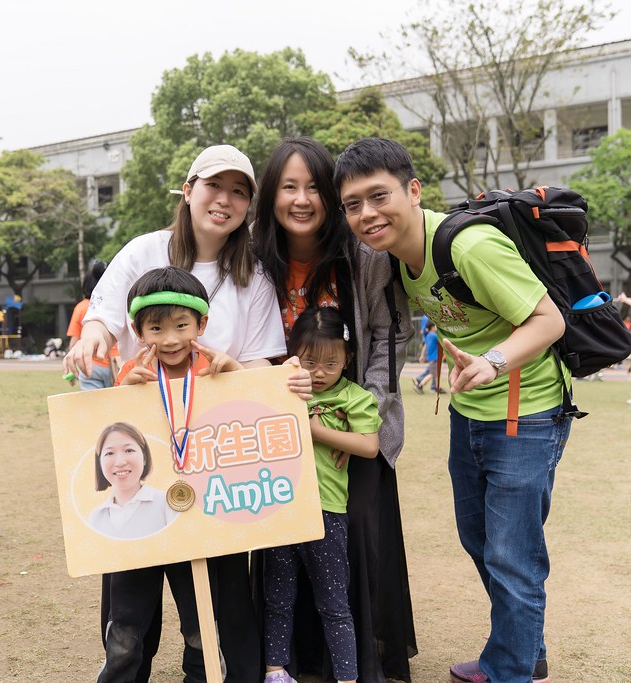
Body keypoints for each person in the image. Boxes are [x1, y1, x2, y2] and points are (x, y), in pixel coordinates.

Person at [335, 138, 570, 683]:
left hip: (525, 411)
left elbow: (549, 320)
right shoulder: (396, 258)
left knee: (513, 553)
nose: (367, 214)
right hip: (472, 411)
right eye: (353, 204)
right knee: (478, 538)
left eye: (379, 196)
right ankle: (523, 650)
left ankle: (511, 670)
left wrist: (491, 362)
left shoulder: (469, 246)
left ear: (413, 191)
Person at [64, 144, 296, 683]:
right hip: (143, 444)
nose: (226, 200)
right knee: (132, 593)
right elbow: (103, 316)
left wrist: (234, 372)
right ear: (188, 190)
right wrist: (91, 341)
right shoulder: (144, 251)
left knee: (218, 597)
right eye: (215, 186)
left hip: (215, 453)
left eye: (240, 191)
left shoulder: (252, 273)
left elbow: (261, 358)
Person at [251, 136, 415, 682]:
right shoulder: (251, 259)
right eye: (288, 187)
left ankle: (355, 661)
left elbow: (386, 336)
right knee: (278, 552)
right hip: (272, 431)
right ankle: (285, 661)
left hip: (353, 423)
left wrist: (350, 419)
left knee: (357, 541)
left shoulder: (365, 255)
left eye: (315, 187)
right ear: (271, 195)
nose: (302, 199)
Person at [98, 266, 246, 681]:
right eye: (156, 328)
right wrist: (125, 392)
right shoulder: (132, 375)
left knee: (201, 622)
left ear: (202, 323)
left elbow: (253, 419)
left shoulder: (217, 372)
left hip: (197, 521)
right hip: (138, 521)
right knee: (125, 622)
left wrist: (237, 378)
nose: (169, 339)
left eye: (181, 325)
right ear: (138, 331)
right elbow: (107, 435)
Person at [264, 307, 381, 683]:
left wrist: (316, 429)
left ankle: (347, 677)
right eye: (310, 360)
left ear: (347, 360)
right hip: (280, 510)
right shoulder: (276, 390)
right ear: (291, 354)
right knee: (277, 599)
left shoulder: (356, 398)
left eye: (331, 363)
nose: (318, 372)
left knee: (333, 603)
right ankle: (275, 670)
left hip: (327, 514)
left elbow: (369, 446)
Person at [89, 422, 178, 540]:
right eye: (109, 453)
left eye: (129, 450)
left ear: (144, 457)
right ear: (100, 463)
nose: (120, 462)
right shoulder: (96, 518)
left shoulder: (167, 503)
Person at [66, 260, 119, 389]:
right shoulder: (116, 304)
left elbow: (74, 342)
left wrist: (70, 368)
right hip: (117, 363)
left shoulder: (81, 307)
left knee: (93, 407)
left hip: (91, 365)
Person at [413, 320, 440, 394]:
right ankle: (419, 385)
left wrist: (422, 355)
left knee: (436, 373)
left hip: (431, 357)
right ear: (432, 327)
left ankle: (437, 388)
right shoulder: (435, 336)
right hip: (435, 358)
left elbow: (425, 346)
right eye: (435, 326)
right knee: (432, 374)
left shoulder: (427, 336)